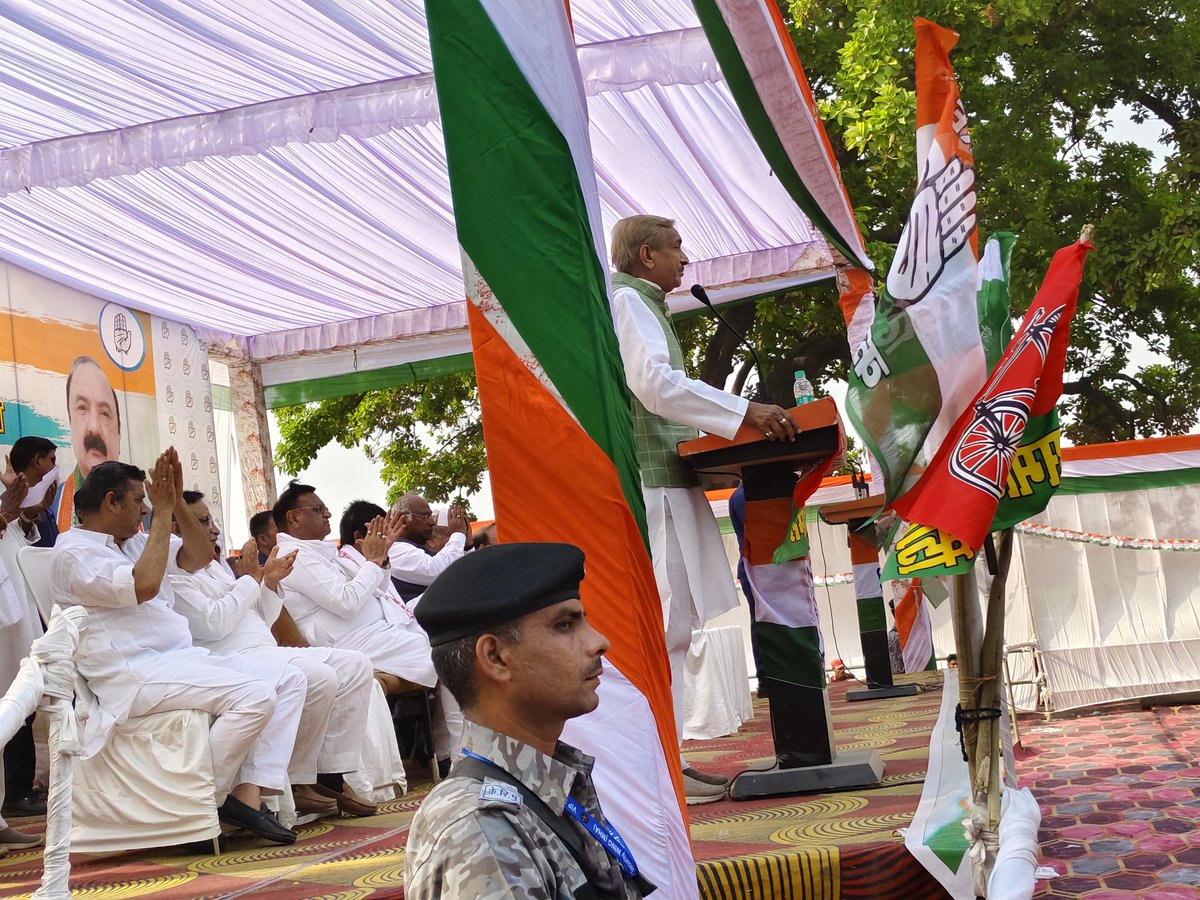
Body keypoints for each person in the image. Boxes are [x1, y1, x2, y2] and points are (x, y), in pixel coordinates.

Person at [609, 214, 797, 804]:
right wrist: (744, 413)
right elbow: (656, 385)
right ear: (646, 255)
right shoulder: (628, 303)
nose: (684, 259)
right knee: (665, 627)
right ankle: (659, 769)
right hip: (654, 489)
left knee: (678, 628)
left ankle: (669, 761)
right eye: (676, 248)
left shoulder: (646, 304)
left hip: (671, 482)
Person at [49, 450, 303, 843]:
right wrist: (163, 515)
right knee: (255, 697)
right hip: (132, 672)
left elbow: (201, 555)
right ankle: (202, 806)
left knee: (286, 680)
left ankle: (245, 795)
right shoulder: (73, 552)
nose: (145, 509)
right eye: (138, 501)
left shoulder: (131, 541)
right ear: (111, 501)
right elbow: (144, 586)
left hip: (177, 660)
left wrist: (177, 501)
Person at [406, 542, 654, 900]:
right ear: (496, 657)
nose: (600, 642)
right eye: (565, 625)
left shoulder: (547, 784)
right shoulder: (480, 828)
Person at [169, 490, 376, 817]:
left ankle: (327, 774)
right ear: (177, 529)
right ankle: (294, 782)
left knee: (356, 665)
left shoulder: (218, 566)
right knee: (318, 677)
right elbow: (214, 625)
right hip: (226, 655)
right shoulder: (173, 571)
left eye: (211, 521)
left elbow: (259, 618)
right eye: (203, 522)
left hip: (260, 648)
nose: (213, 529)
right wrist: (251, 581)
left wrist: (269, 584)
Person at [336, 501, 463, 770]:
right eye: (385, 530)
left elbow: (385, 597)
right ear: (360, 538)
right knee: (449, 649)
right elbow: (350, 604)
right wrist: (374, 561)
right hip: (359, 643)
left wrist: (378, 561)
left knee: (455, 643)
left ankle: (453, 752)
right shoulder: (342, 563)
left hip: (392, 632)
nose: (392, 535)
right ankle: (452, 754)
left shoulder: (376, 558)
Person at [0, 475, 45, 848]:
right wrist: (4, 514)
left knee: (7, 713)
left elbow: (15, 543)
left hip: (11, 614)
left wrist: (18, 516)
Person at [59, 356, 122, 533]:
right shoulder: (48, 508)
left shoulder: (144, 514)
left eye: (104, 413)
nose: (94, 427)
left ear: (119, 431)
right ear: (70, 423)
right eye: (82, 408)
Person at [388, 494, 469, 602]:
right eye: (424, 516)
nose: (431, 522)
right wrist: (458, 534)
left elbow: (465, 575)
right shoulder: (395, 550)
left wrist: (468, 544)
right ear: (402, 519)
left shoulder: (418, 549)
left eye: (431, 515)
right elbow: (437, 572)